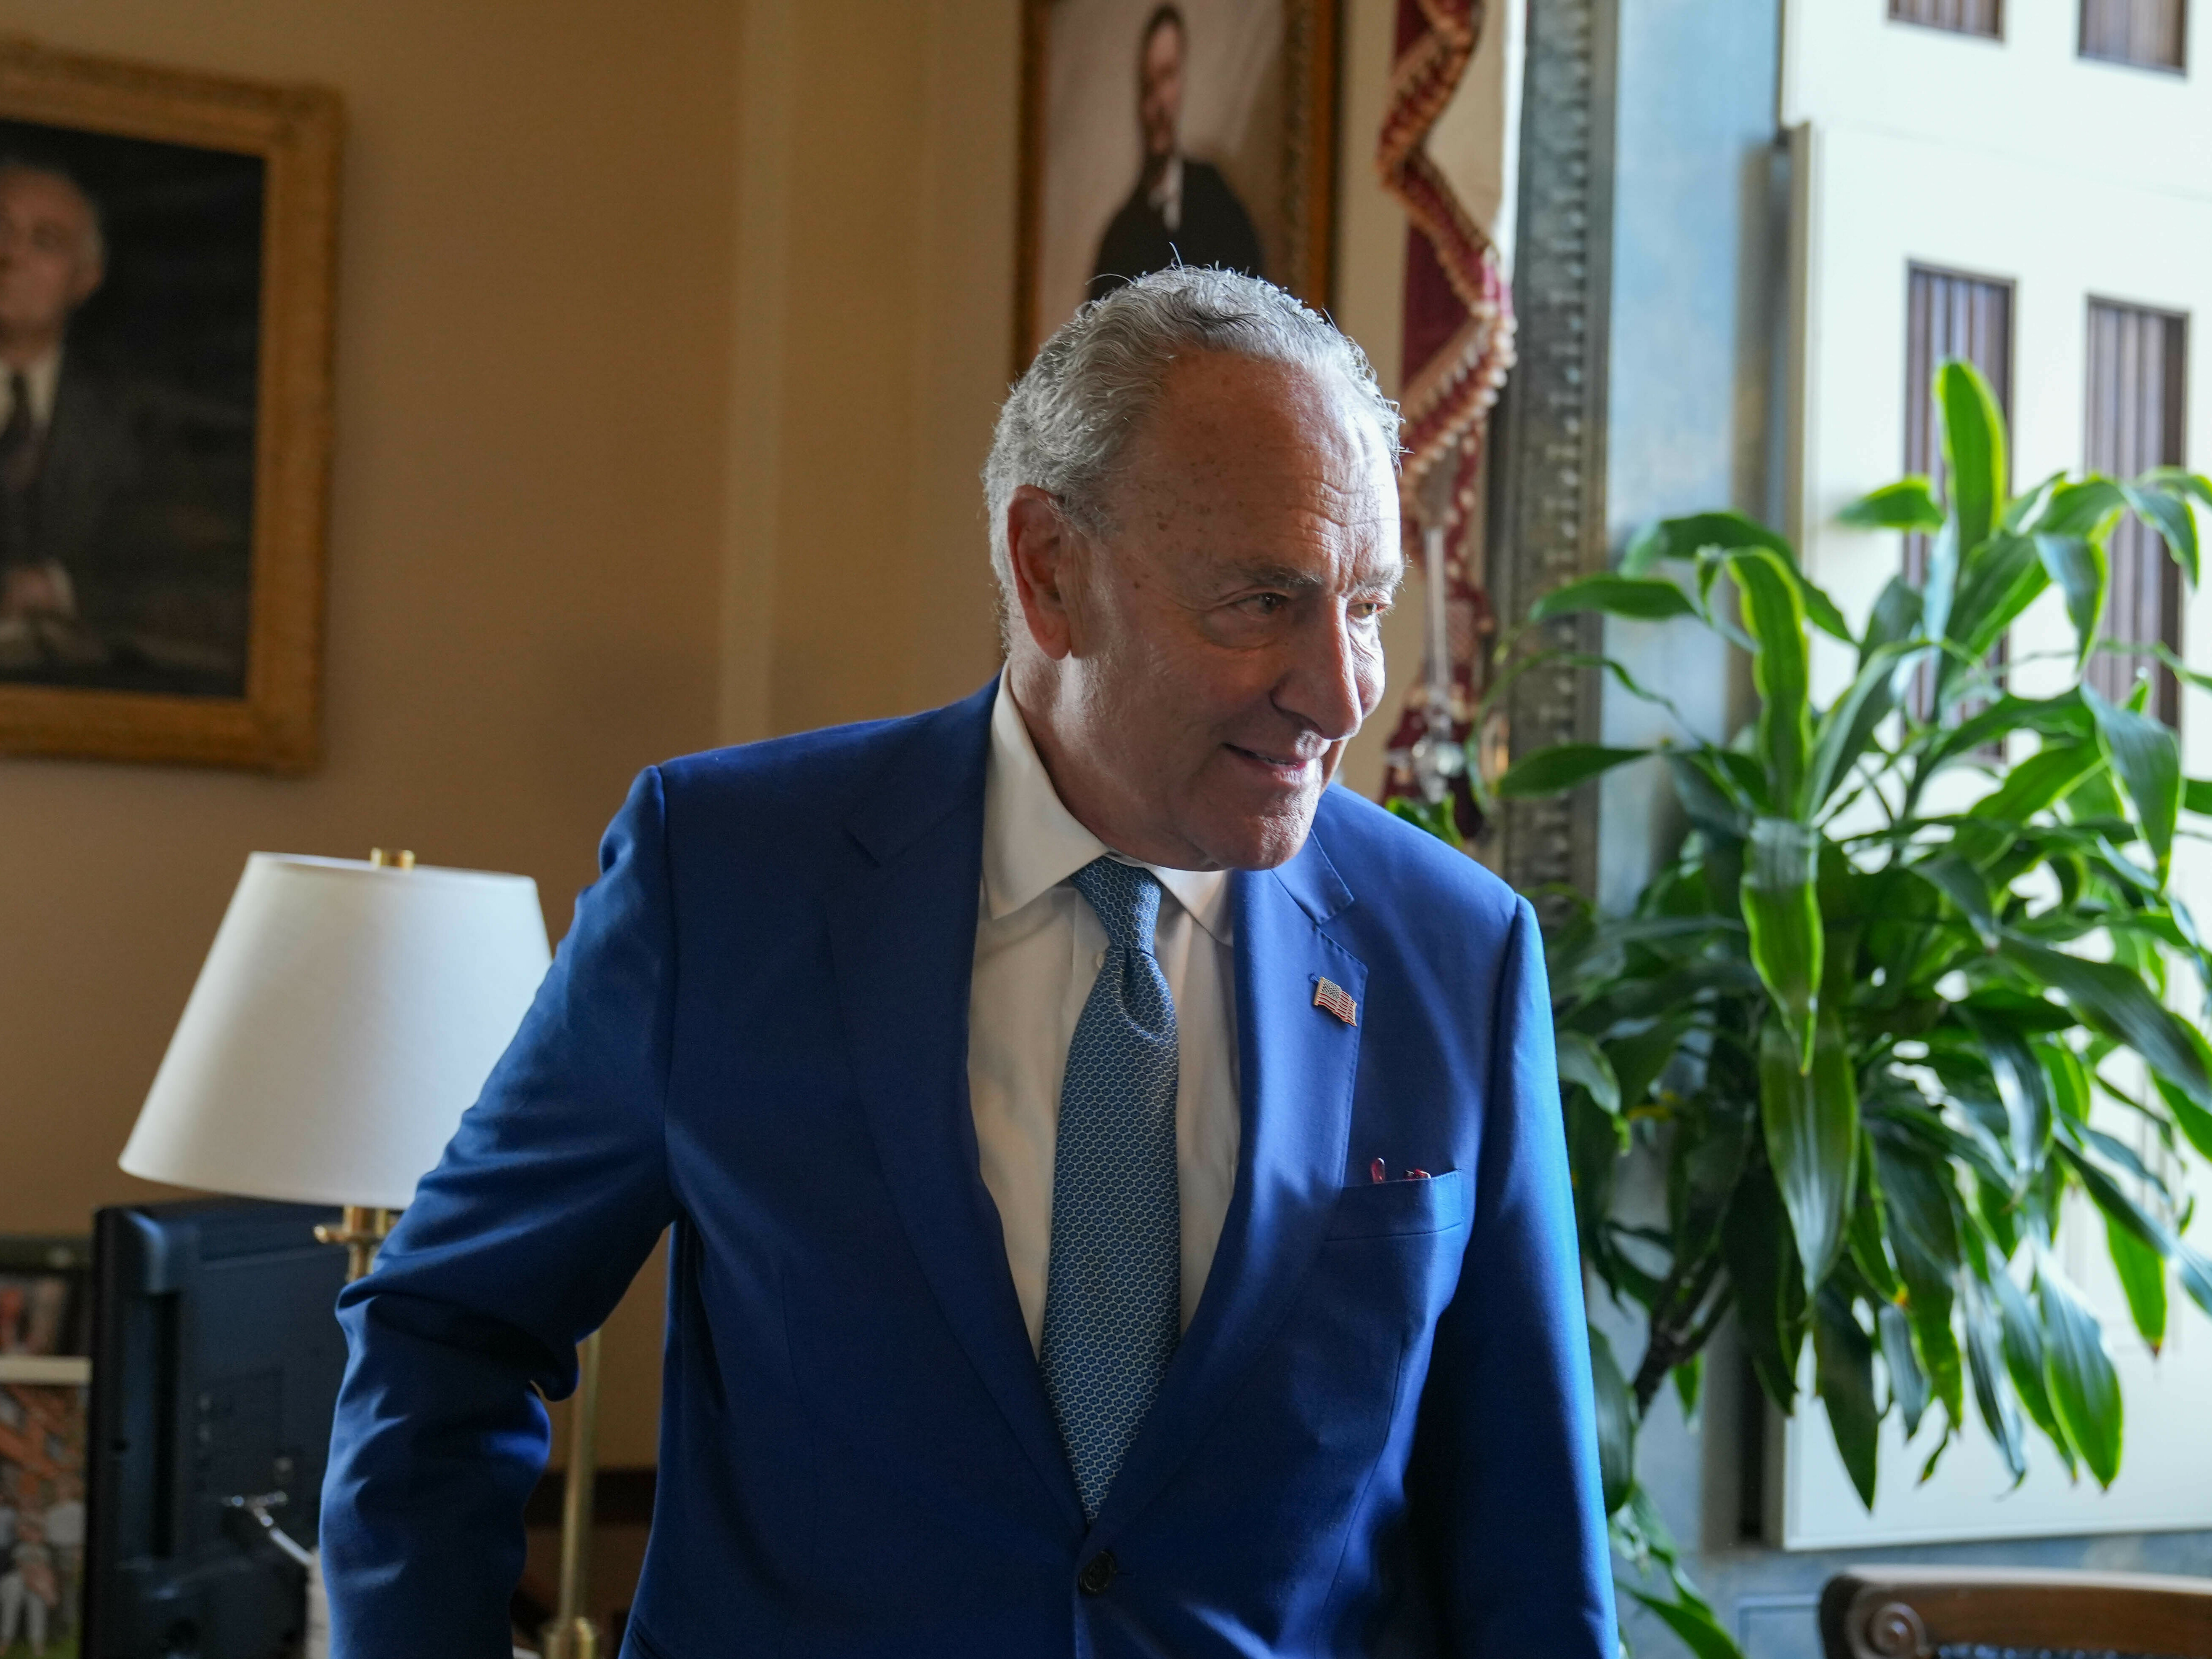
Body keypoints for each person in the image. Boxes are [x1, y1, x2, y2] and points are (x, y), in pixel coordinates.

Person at [321, 268, 1612, 1658]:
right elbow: (447, 1332)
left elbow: (1525, 1540)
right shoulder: (730, 878)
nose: (1342, 687)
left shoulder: (1453, 952)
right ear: (1049, 571)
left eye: (1364, 604)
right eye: (1261, 603)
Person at [1088, 5, 1264, 301]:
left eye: (1167, 76)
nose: (1158, 102)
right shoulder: (1120, 237)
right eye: (1148, 85)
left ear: (1184, 82)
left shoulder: (1219, 204)